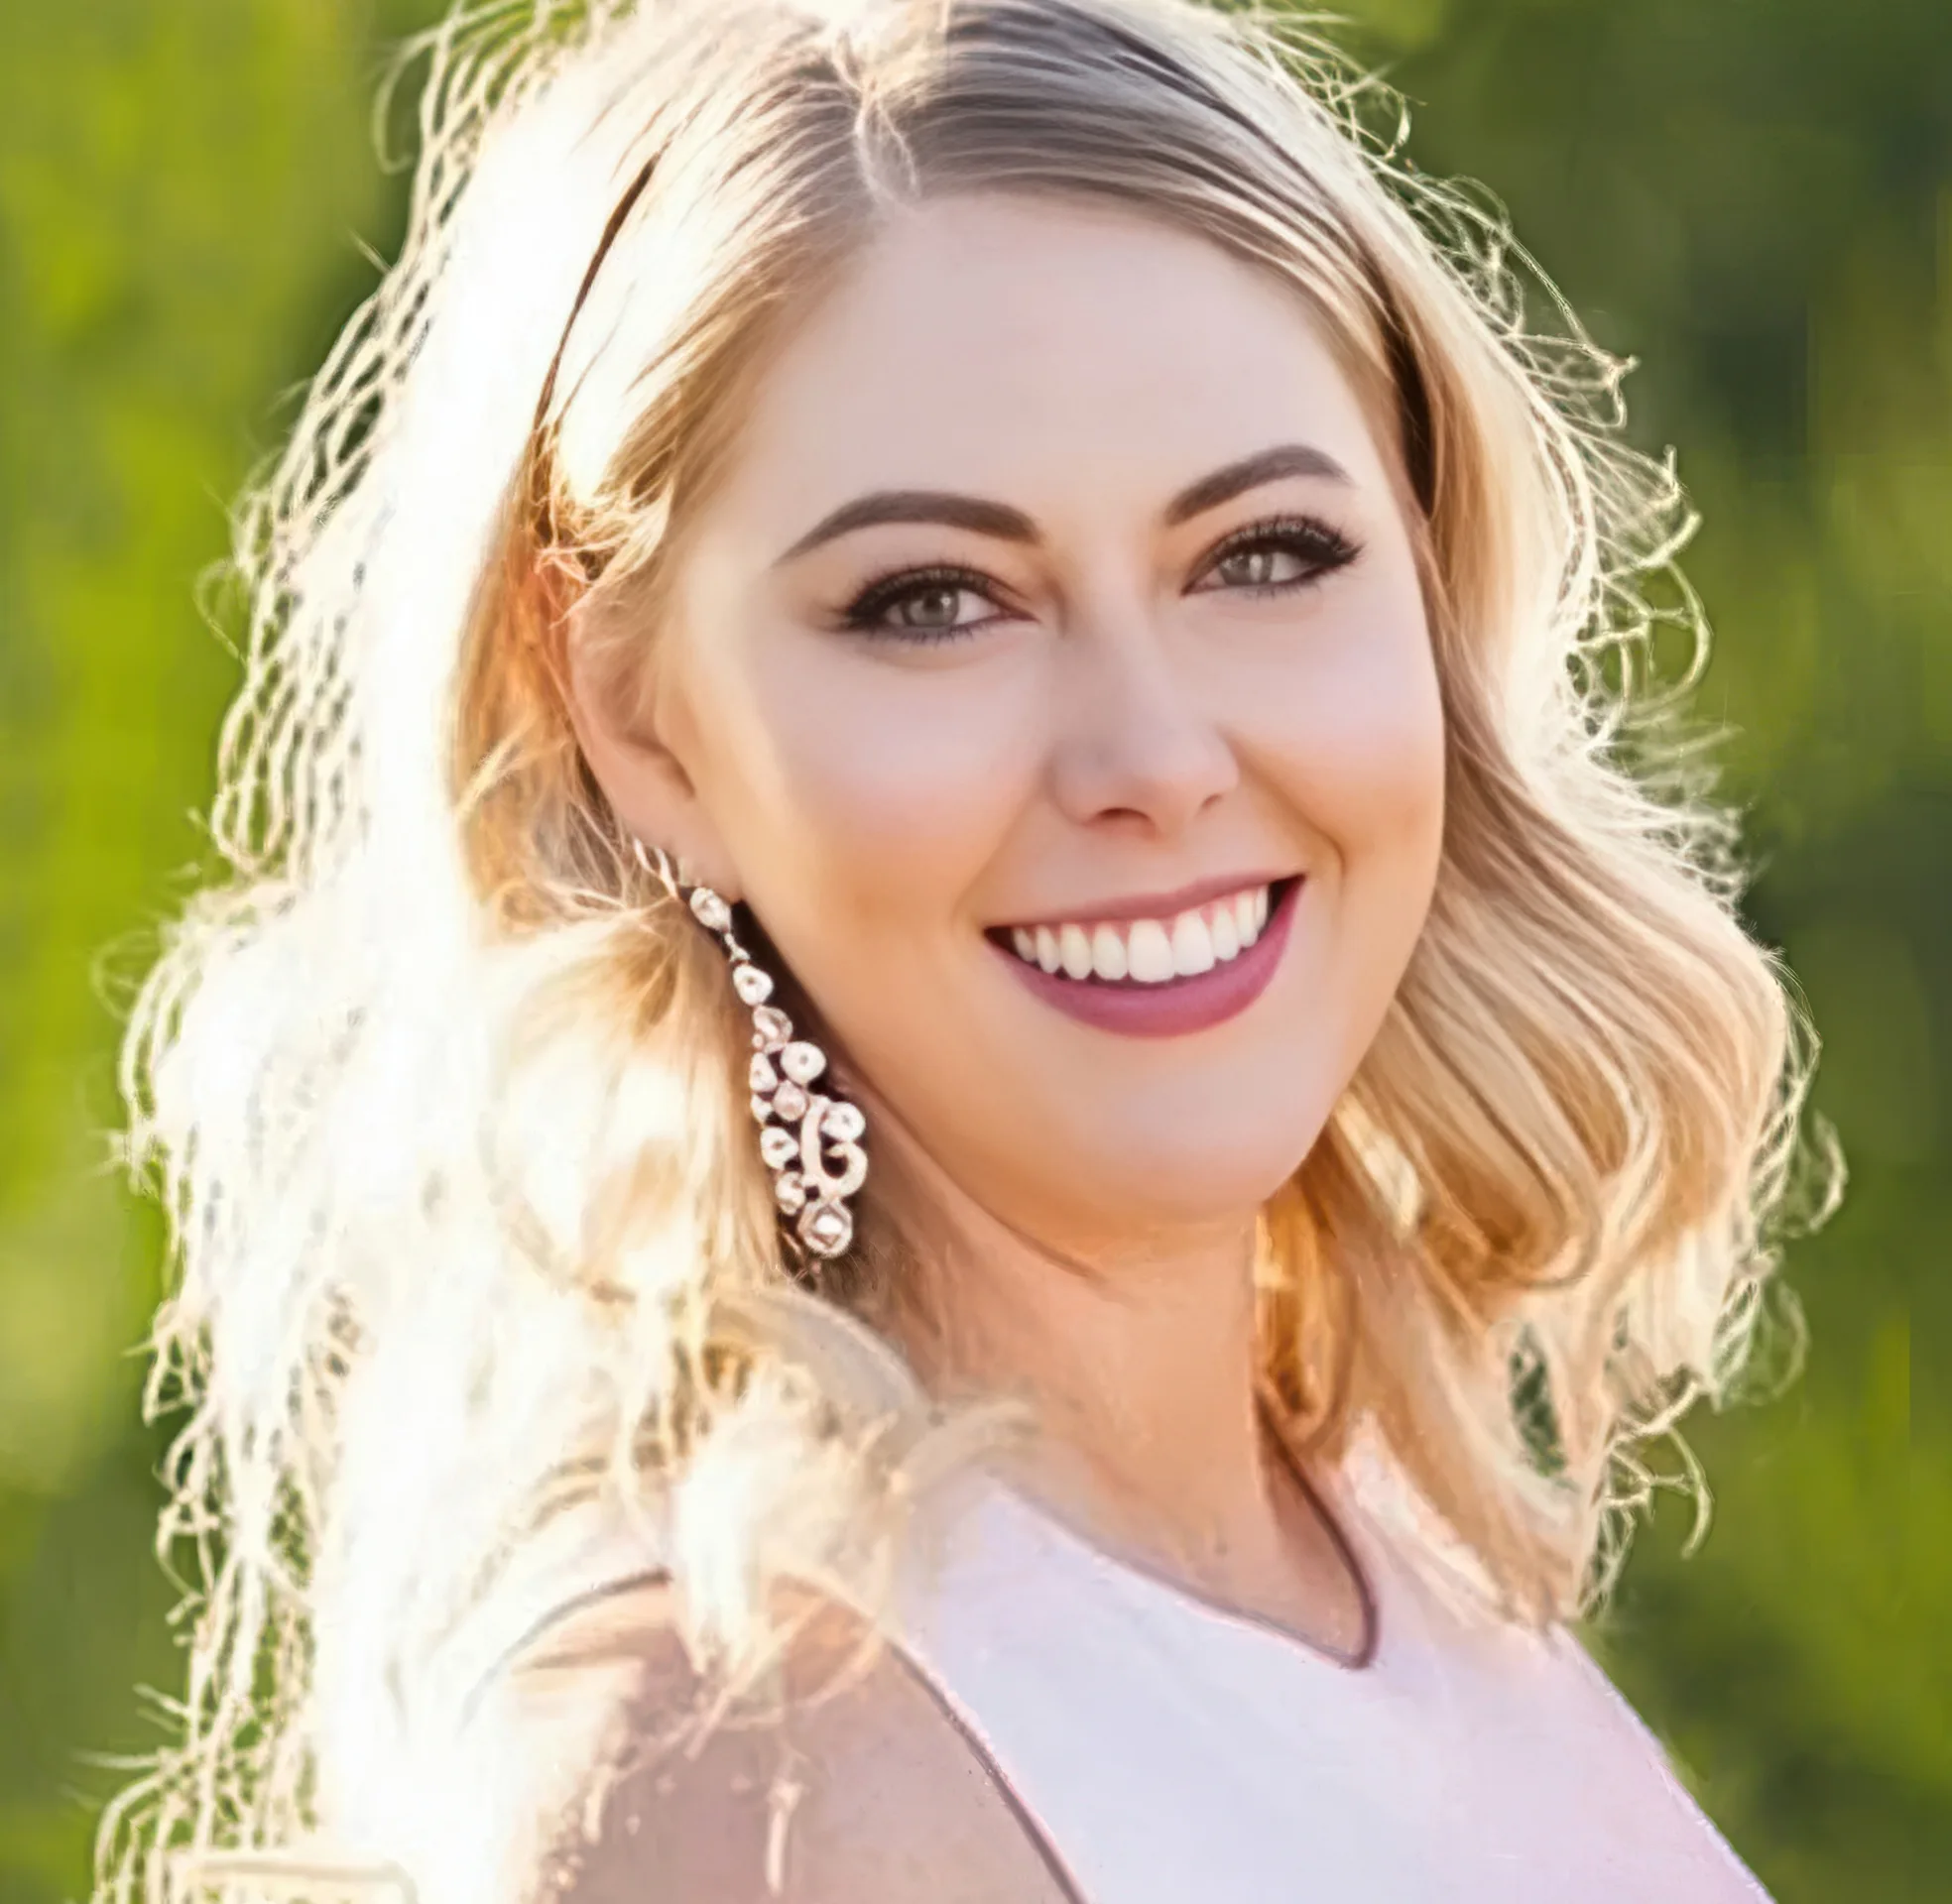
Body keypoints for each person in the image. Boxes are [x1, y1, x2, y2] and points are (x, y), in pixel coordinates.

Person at [103, 1, 1816, 1900]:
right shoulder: (754, 1771)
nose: (1156, 762)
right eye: (933, 601)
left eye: (1263, 553)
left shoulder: (1372, 1557)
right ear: (638, 721)